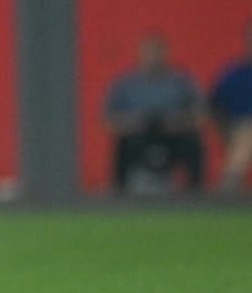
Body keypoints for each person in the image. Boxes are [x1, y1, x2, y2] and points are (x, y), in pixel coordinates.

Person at [103, 32, 205, 193]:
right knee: (123, 145)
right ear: (139, 54)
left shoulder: (180, 81)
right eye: (148, 52)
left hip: (174, 134)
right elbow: (108, 120)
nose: (153, 56)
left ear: (165, 53)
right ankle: (119, 195)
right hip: (138, 134)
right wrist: (131, 122)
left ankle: (196, 194)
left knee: (192, 143)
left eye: (157, 51)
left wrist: (179, 121)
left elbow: (200, 114)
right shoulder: (125, 83)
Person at [208, 19, 252, 192]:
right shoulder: (232, 73)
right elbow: (214, 106)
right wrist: (223, 130)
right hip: (237, 129)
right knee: (248, 133)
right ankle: (230, 185)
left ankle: (228, 184)